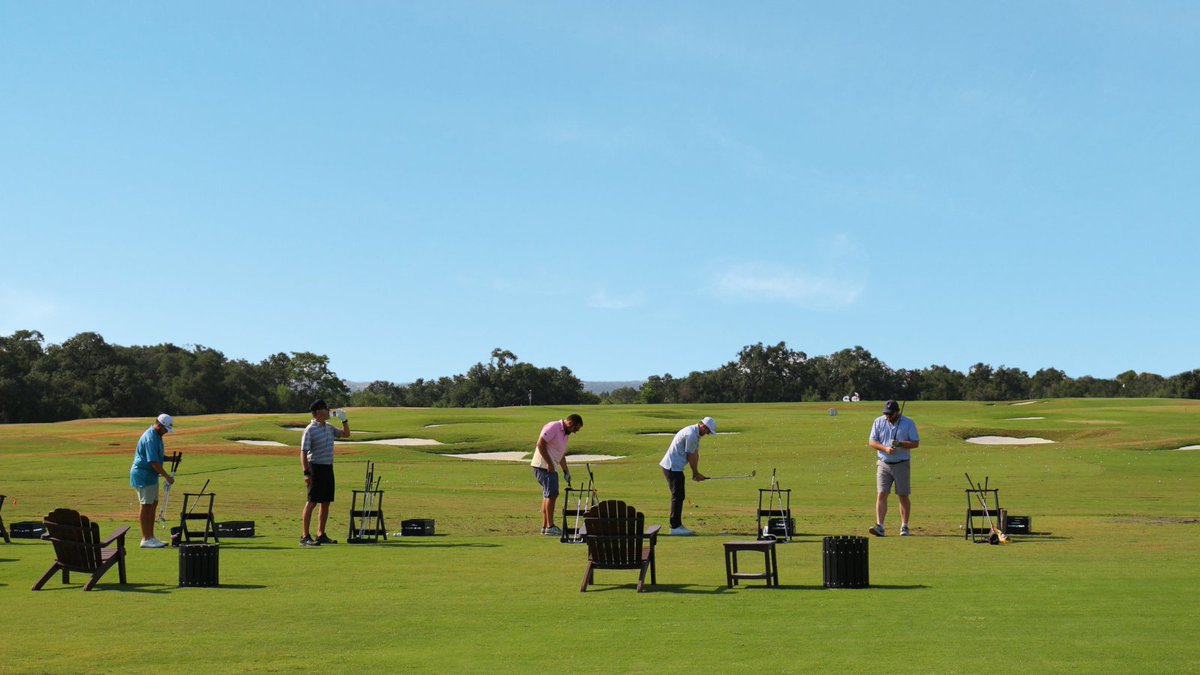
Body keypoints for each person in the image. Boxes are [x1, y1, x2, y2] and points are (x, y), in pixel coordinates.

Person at [300, 400, 350, 546]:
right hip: (315, 468)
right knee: (312, 502)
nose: (328, 411)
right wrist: (306, 472)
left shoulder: (328, 428)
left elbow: (346, 434)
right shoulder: (310, 429)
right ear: (318, 412)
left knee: (326, 502)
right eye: (326, 409)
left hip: (328, 467)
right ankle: (305, 536)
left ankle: (321, 534)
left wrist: (344, 420)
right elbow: (303, 452)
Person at [868, 400, 919, 537]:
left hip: (902, 463)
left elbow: (915, 443)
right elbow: (872, 441)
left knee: (903, 495)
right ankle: (880, 526)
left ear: (897, 412)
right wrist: (885, 448)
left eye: (891, 414)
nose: (888, 417)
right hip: (884, 463)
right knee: (882, 493)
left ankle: (904, 526)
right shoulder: (878, 421)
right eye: (886, 414)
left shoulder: (908, 423)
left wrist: (900, 444)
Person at [658, 416, 716, 536]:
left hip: (675, 467)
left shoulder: (696, 433)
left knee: (680, 495)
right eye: (708, 431)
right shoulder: (691, 434)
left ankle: (677, 525)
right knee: (677, 496)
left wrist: (697, 472)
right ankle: (674, 527)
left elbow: (695, 453)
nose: (708, 434)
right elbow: (690, 455)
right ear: (704, 426)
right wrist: (695, 473)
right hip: (672, 467)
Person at [530, 414, 584, 536]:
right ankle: (550, 526)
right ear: (570, 423)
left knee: (548, 495)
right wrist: (549, 464)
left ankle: (545, 527)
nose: (575, 432)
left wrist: (566, 471)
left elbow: (560, 454)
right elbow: (540, 444)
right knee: (552, 494)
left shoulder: (565, 435)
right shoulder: (553, 427)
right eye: (576, 429)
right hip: (543, 466)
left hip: (550, 467)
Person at [129, 413, 176, 548]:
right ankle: (145, 538)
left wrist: (170, 459)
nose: (166, 432)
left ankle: (151, 537)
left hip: (150, 476)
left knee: (153, 504)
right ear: (159, 425)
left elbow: (158, 457)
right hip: (143, 475)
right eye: (165, 429)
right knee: (146, 505)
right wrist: (167, 477)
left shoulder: (157, 436)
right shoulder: (150, 437)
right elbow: (153, 462)